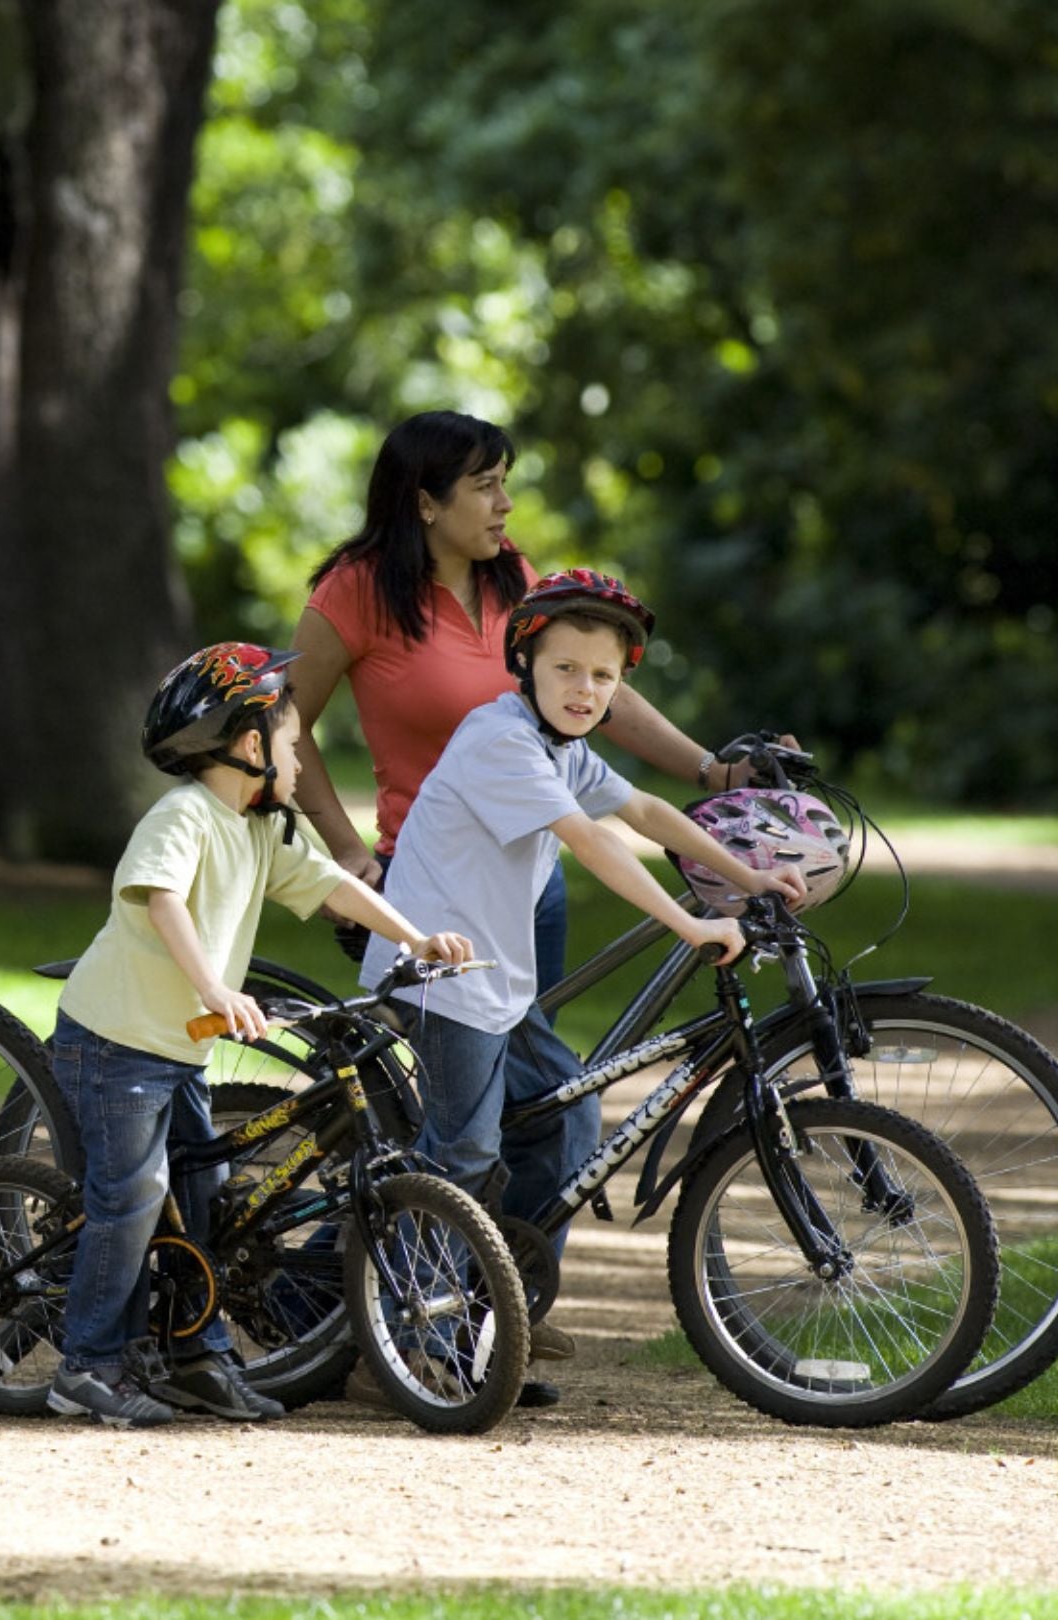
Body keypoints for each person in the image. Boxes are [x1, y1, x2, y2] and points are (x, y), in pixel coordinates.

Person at [285, 410, 789, 1377]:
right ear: (425, 500)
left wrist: (714, 787)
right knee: (470, 1130)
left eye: (506, 482)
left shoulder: (518, 593)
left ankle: (494, 1301)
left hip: (522, 895)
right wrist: (348, 852)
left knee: (536, 1108)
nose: (506, 505)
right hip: (430, 903)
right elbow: (288, 722)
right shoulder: (358, 595)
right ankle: (397, 1313)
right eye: (484, 486)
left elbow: (607, 724)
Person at [360, 570, 809, 1409]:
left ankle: (494, 1317)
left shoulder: (563, 747)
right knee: (462, 1150)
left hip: (493, 979)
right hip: (437, 975)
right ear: (523, 663)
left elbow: (640, 809)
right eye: (566, 669)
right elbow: (594, 844)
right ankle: (408, 1339)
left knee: (567, 1114)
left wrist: (746, 871)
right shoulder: (499, 740)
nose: (585, 689)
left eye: (603, 676)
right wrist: (692, 925)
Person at [47, 641, 474, 1428]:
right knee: (134, 1196)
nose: (300, 760)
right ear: (250, 747)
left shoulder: (260, 827)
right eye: (288, 743)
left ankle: (194, 1357)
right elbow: (162, 899)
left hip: (175, 1050)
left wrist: (415, 939)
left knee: (205, 1200)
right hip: (115, 1043)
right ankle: (88, 1366)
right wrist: (215, 986)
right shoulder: (185, 815)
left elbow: (333, 885)